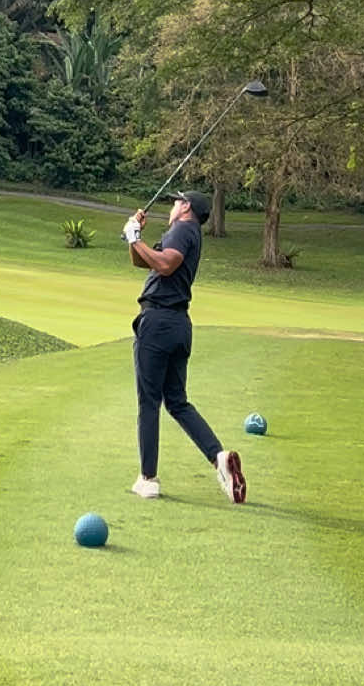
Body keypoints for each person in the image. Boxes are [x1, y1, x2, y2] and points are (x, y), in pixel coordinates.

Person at [122, 190, 246, 503]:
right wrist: (134, 237)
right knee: (177, 402)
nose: (173, 207)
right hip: (178, 325)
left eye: (176, 202)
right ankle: (219, 458)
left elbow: (164, 265)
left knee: (148, 402)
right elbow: (146, 262)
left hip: (158, 322)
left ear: (186, 206)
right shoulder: (186, 233)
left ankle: (148, 479)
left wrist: (136, 238)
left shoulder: (182, 230)